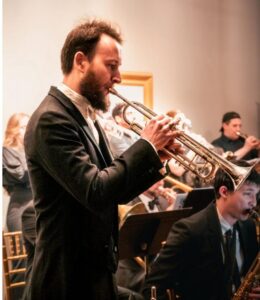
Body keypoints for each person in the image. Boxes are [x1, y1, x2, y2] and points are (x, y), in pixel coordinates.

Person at [23, 20, 181, 300]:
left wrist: (158, 158)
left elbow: (115, 191)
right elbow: (96, 191)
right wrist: (145, 144)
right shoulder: (52, 119)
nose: (119, 76)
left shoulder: (85, 117)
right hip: (65, 280)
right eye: (111, 66)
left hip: (94, 271)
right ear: (81, 61)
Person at [143, 160, 260, 300]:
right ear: (224, 192)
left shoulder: (248, 226)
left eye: (256, 195)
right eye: (248, 194)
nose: (254, 202)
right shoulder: (189, 230)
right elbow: (152, 289)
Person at [3, 113, 32, 232]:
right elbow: (21, 174)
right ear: (14, 130)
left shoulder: (32, 149)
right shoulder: (6, 151)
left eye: (29, 126)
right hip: (21, 207)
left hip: (37, 206)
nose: (28, 130)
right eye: (23, 127)